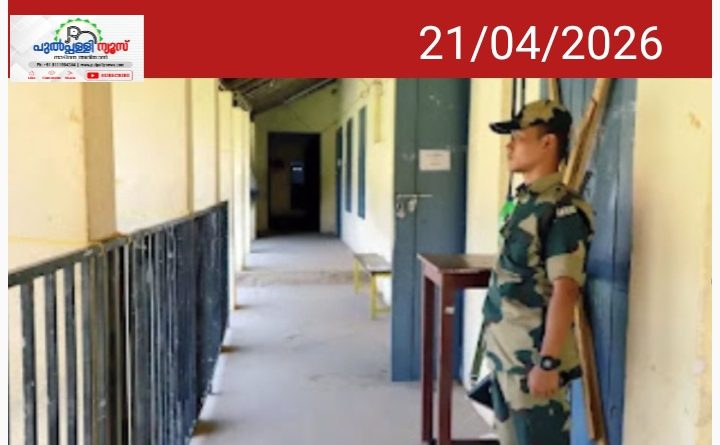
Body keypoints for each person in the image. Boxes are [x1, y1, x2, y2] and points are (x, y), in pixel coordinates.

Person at [471, 99, 595, 445]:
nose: (509, 146)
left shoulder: (562, 209)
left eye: (518, 137)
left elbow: (565, 289)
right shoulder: (526, 202)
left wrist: (548, 363)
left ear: (547, 143)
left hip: (532, 363)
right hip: (506, 355)